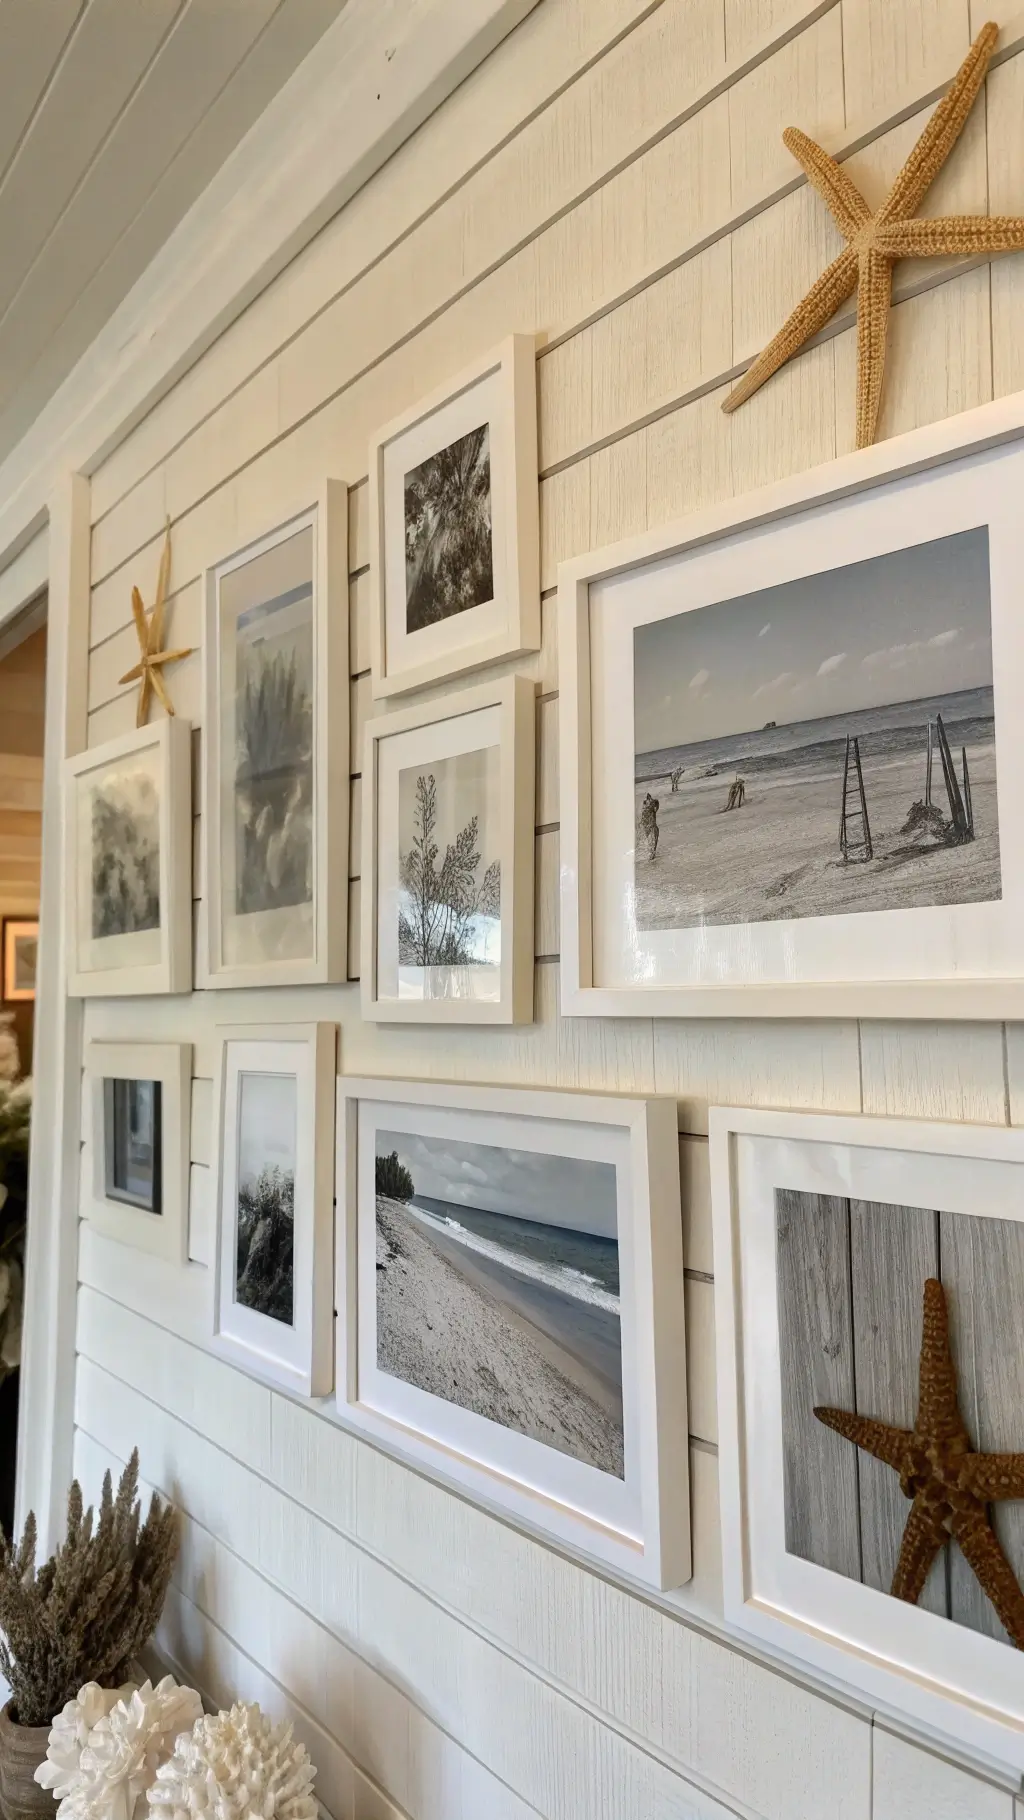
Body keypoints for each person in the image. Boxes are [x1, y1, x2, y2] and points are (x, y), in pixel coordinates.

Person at [638, 791, 660, 858]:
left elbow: (643, 818)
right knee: (652, 838)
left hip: (649, 824)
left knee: (650, 838)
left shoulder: (647, 807)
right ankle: (652, 852)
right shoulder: (651, 806)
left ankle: (652, 852)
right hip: (651, 824)